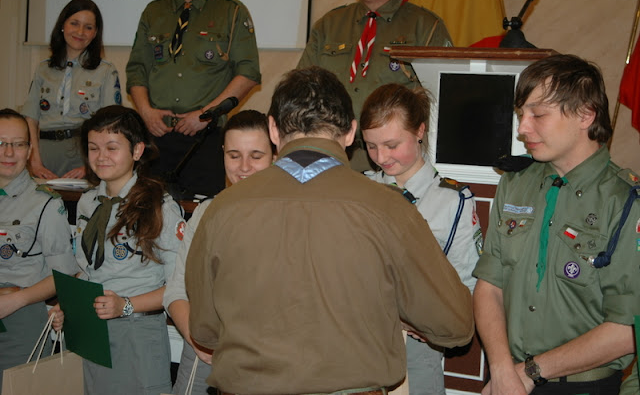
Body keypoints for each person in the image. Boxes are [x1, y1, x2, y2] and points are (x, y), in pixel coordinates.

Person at [184, 66, 474, 394]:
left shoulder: (222, 209)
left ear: (273, 130)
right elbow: (455, 324)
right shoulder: (389, 208)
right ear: (351, 133)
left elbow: (205, 330)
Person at [472, 54, 640, 395]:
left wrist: (530, 372)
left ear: (585, 115)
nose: (522, 128)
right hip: (507, 377)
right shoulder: (515, 183)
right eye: (521, 114)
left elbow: (627, 329)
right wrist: (502, 369)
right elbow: (490, 285)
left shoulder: (624, 202)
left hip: (580, 386)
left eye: (538, 114)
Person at [50, 106, 185, 394]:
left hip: (137, 331)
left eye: (112, 147)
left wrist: (125, 304)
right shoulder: (88, 203)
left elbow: (179, 285)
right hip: (91, 331)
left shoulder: (160, 207)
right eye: (93, 148)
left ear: (137, 151)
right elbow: (85, 270)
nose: (101, 157)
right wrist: (67, 306)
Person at [361, 83, 482, 395]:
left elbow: (467, 285)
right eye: (371, 146)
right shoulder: (358, 190)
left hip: (416, 349)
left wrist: (434, 325)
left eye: (391, 144)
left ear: (419, 131)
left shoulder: (452, 200)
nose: (381, 157)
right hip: (359, 341)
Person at [163, 110, 275, 395]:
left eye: (256, 156)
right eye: (234, 156)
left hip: (266, 363)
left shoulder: (290, 215)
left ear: (276, 155)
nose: (244, 167)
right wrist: (198, 342)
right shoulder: (206, 212)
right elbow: (176, 291)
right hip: (203, 355)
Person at [297, 0, 452, 171]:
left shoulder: (425, 27)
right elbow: (300, 92)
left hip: (393, 163)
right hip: (330, 157)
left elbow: (442, 103)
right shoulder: (329, 25)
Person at [126, 0, 261, 198]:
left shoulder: (231, 11)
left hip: (205, 139)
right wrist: (146, 112)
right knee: (150, 212)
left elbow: (248, 74)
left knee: (201, 213)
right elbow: (136, 69)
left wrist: (205, 115)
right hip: (156, 138)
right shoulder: (153, 11)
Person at [0, 109, 78, 387]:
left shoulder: (45, 203)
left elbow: (64, 274)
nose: (9, 152)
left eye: (18, 144)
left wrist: (17, 300)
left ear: (30, 150)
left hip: (20, 320)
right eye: (1, 143)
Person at [22, 0, 121, 180]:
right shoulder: (43, 69)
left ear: (95, 33)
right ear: (63, 25)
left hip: (83, 156)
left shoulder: (105, 71)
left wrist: (91, 165)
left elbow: (110, 123)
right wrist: (34, 161)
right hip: (44, 155)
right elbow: (31, 118)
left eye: (88, 27)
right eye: (74, 23)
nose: (80, 32)